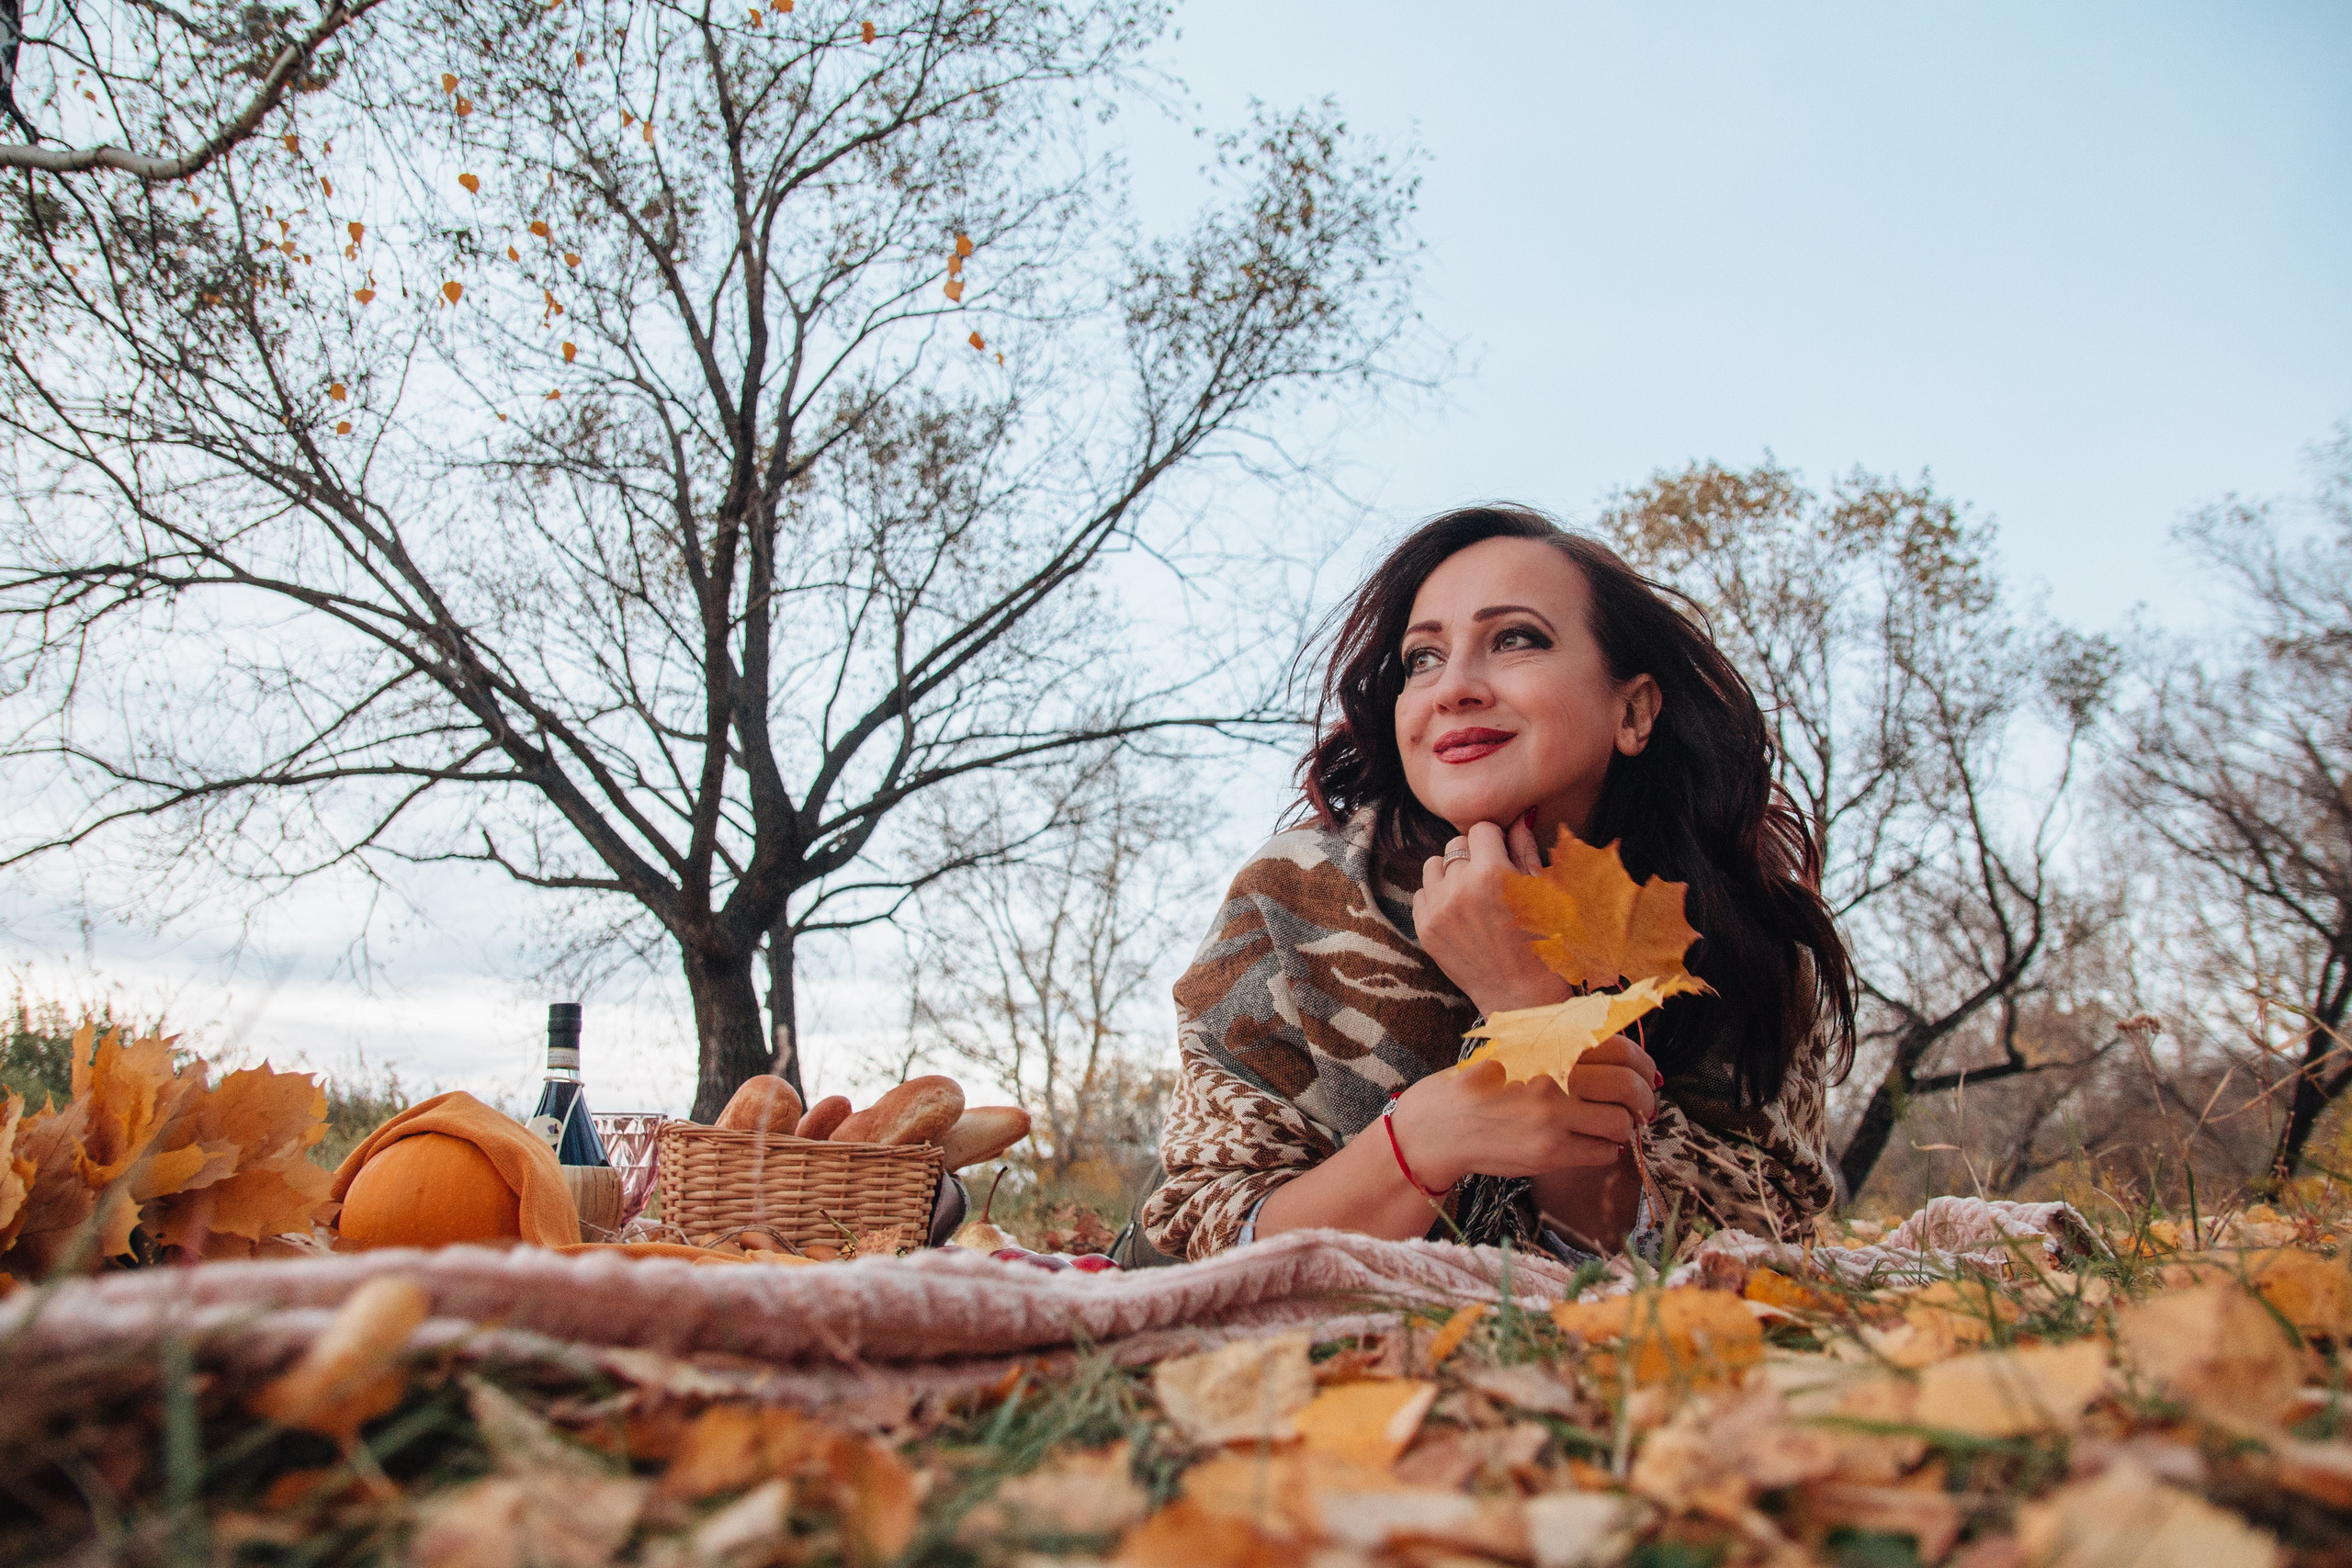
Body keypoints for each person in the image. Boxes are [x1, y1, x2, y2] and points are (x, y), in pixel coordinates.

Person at [1125, 505, 1855, 1265]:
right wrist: (1423, 1138)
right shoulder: (1297, 892)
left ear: (1634, 708)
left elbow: (1719, 1262)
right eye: (1422, 658)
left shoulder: (1742, 935)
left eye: (1515, 639)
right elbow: (1205, 1233)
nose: (1453, 688)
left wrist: (1531, 1009)